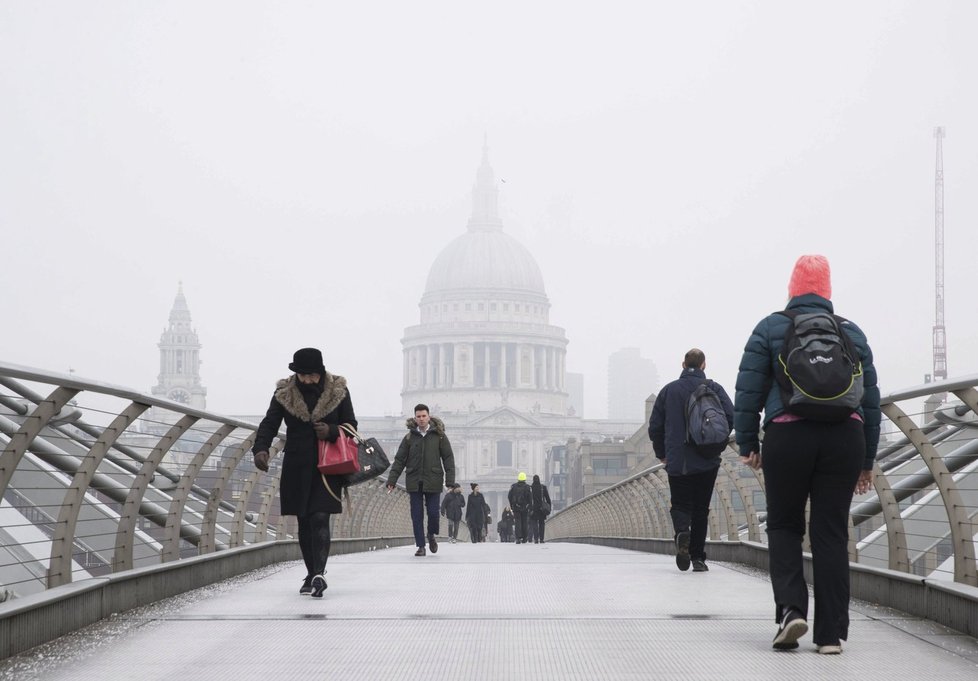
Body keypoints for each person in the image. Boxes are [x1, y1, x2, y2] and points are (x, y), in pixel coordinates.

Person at [734, 255, 880, 654]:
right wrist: (867, 460)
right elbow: (870, 401)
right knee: (830, 532)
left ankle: (791, 611)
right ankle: (830, 634)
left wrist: (747, 443)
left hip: (788, 434)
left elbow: (747, 390)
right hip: (844, 438)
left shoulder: (771, 327)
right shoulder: (852, 333)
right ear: (827, 291)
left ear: (792, 288)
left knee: (784, 525)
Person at [252, 347, 356, 598]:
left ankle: (319, 573)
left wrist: (331, 431)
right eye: (302, 375)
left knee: (320, 516)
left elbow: (351, 424)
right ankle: (311, 572)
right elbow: (270, 422)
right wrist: (261, 449)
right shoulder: (283, 393)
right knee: (304, 519)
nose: (307, 379)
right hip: (297, 463)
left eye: (311, 375)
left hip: (327, 465)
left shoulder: (339, 391)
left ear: (320, 373)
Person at [648, 348, 734, 573]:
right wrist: (716, 443)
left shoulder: (668, 391)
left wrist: (662, 453)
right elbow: (730, 417)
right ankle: (698, 557)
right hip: (707, 459)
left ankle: (682, 533)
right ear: (704, 365)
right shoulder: (714, 388)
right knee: (701, 508)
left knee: (680, 504)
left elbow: (655, 427)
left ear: (683, 365)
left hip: (678, 460)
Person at [386, 404, 456, 556]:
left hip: (433, 479)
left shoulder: (440, 436)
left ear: (429, 417)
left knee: (433, 513)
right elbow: (399, 460)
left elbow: (448, 459)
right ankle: (420, 546)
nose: (421, 419)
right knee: (416, 515)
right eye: (418, 416)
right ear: (415, 418)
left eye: (424, 416)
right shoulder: (409, 437)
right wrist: (392, 480)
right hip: (414, 480)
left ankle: (431, 535)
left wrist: (450, 481)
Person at [508, 472, 532, 544]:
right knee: (524, 522)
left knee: (517, 522)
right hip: (525, 507)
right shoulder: (528, 487)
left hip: (516, 507)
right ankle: (524, 538)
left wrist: (512, 505)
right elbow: (530, 498)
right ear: (525, 479)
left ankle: (518, 538)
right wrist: (529, 506)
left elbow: (509, 496)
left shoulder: (513, 486)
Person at [530, 474, 552, 543]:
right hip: (542, 509)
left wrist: (529, 508)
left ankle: (536, 539)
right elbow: (548, 499)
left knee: (534, 524)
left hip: (534, 508)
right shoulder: (543, 487)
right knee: (542, 523)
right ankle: (541, 539)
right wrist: (549, 508)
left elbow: (528, 499)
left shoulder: (530, 488)